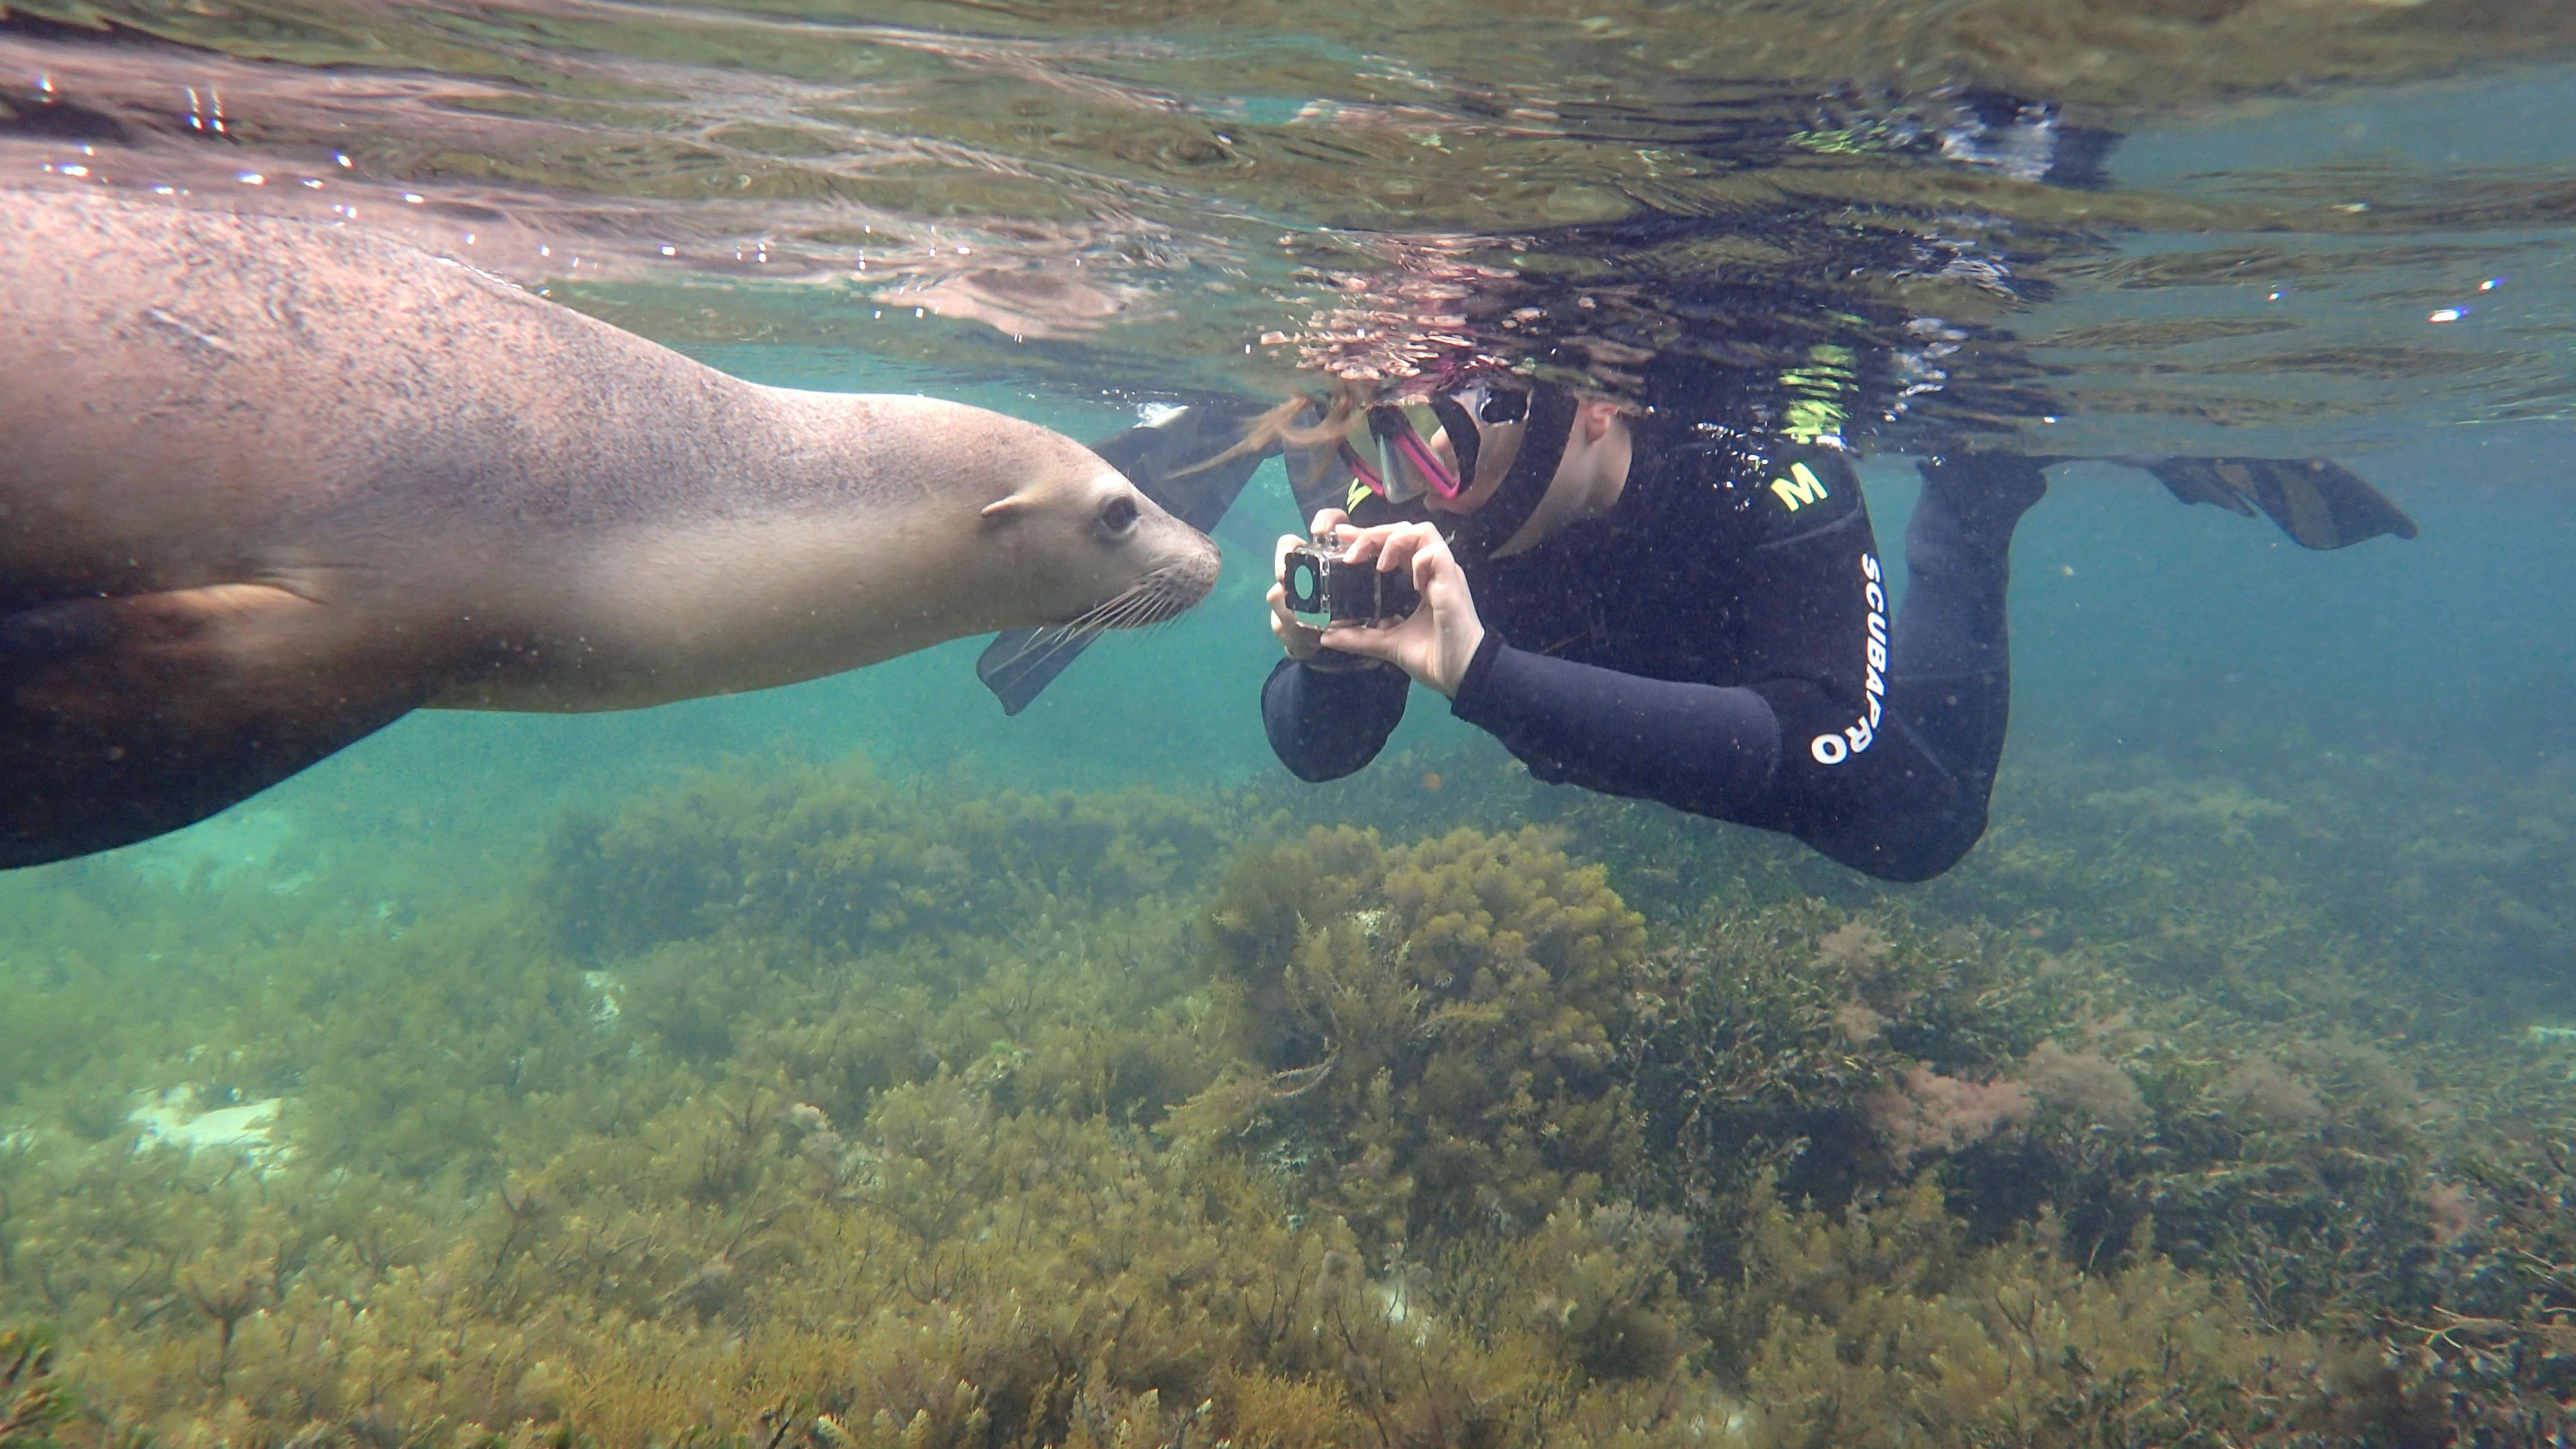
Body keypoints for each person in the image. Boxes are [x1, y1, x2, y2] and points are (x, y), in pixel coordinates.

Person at [1251, 367, 2412, 883]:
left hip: (1791, 719)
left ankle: (1981, 479)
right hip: (1625, 718)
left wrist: (1485, 673)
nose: (1385, 479)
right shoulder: (1394, 501)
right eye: (1360, 436)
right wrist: (1331, 664)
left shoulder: (1758, 464)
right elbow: (1322, 750)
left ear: (1591, 403)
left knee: (1922, 827)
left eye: (1431, 432)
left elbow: (1818, 739)